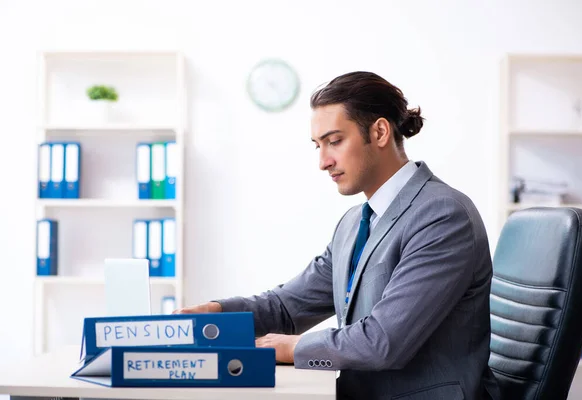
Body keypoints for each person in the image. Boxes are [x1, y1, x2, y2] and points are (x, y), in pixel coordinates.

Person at [174, 71, 500, 400]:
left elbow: (383, 342)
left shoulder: (442, 216)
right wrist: (216, 315)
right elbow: (287, 308)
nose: (323, 162)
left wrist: (293, 348)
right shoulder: (353, 224)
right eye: (318, 146)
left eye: (335, 141)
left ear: (380, 132)